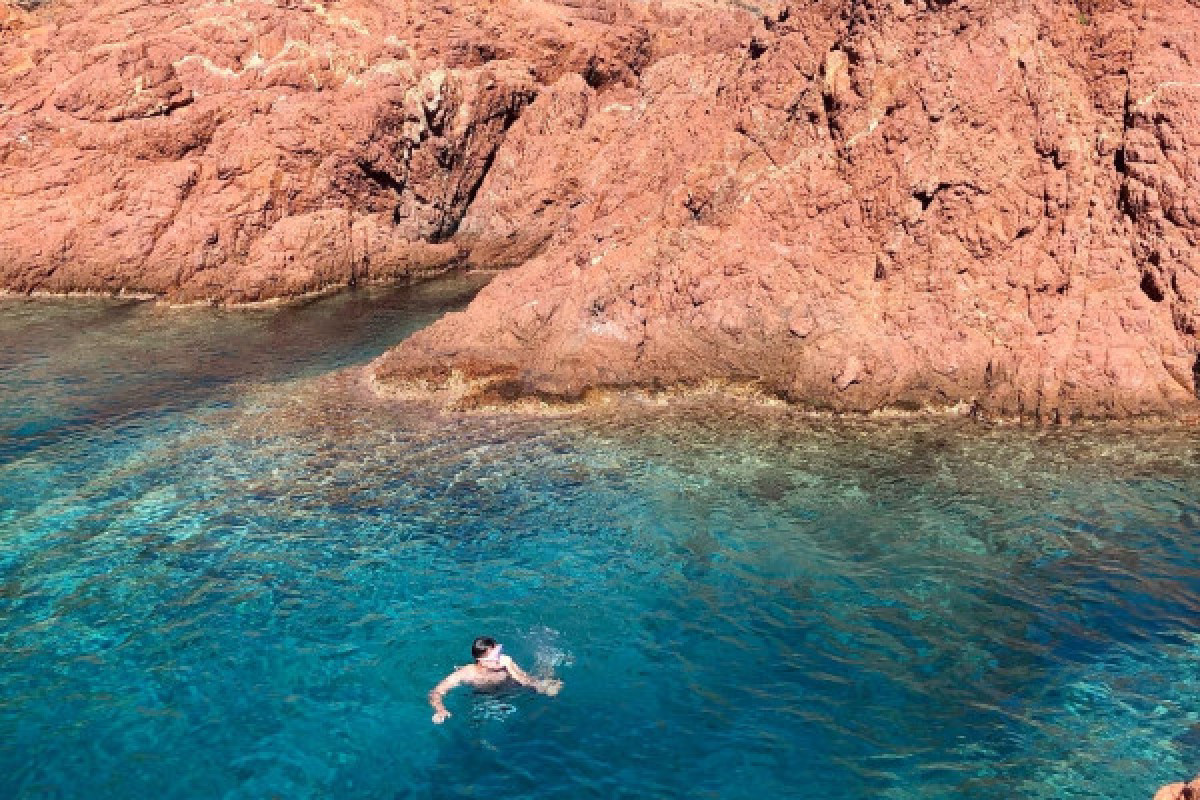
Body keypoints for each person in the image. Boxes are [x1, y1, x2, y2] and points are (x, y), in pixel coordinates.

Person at [429, 636, 562, 724]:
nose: (499, 658)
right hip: (485, 697)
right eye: (495, 656)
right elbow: (436, 692)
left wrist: (543, 686)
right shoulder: (466, 674)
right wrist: (440, 709)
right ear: (481, 661)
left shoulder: (505, 661)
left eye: (499, 652)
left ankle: (548, 659)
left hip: (514, 689)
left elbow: (524, 679)